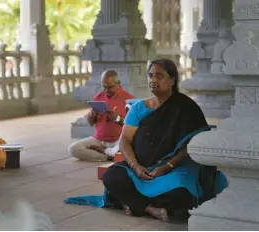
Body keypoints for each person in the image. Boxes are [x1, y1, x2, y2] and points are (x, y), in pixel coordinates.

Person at [64, 59, 228, 222]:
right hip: (140, 169)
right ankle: (149, 209)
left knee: (182, 191)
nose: (153, 80)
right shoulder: (139, 108)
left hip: (173, 170)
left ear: (172, 80)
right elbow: (125, 140)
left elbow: (193, 142)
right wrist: (135, 166)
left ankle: (131, 202)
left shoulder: (186, 107)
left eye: (159, 76)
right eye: (150, 76)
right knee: (111, 177)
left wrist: (167, 166)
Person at [68, 70, 134, 161]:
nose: (106, 90)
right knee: (73, 149)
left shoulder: (128, 99)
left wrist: (116, 117)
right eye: (104, 87)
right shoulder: (98, 97)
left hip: (117, 140)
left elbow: (132, 125)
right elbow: (91, 122)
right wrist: (91, 115)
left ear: (118, 83)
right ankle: (106, 155)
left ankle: (108, 152)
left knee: (127, 148)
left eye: (110, 87)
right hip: (99, 140)